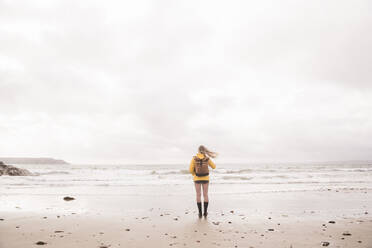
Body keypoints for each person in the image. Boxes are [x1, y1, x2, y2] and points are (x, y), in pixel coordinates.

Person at [189, 145, 217, 218]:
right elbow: (214, 167)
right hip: (205, 179)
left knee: (198, 195)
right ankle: (205, 213)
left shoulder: (194, 158)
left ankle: (200, 213)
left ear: (198, 150)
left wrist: (194, 174)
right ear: (205, 150)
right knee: (205, 195)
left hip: (197, 178)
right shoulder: (207, 159)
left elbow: (190, 169)